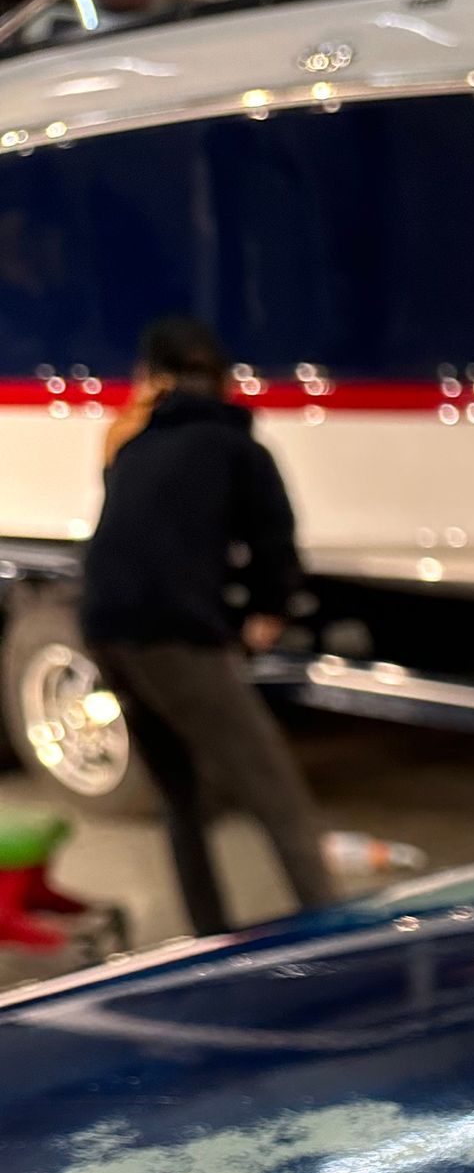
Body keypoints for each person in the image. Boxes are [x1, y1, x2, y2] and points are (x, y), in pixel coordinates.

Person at [82, 314, 333, 938]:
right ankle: (336, 937)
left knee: (181, 794)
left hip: (102, 625)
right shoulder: (239, 450)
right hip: (173, 634)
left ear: (154, 379)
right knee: (276, 795)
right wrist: (266, 615)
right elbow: (276, 548)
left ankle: (207, 936)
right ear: (223, 379)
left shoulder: (135, 445)